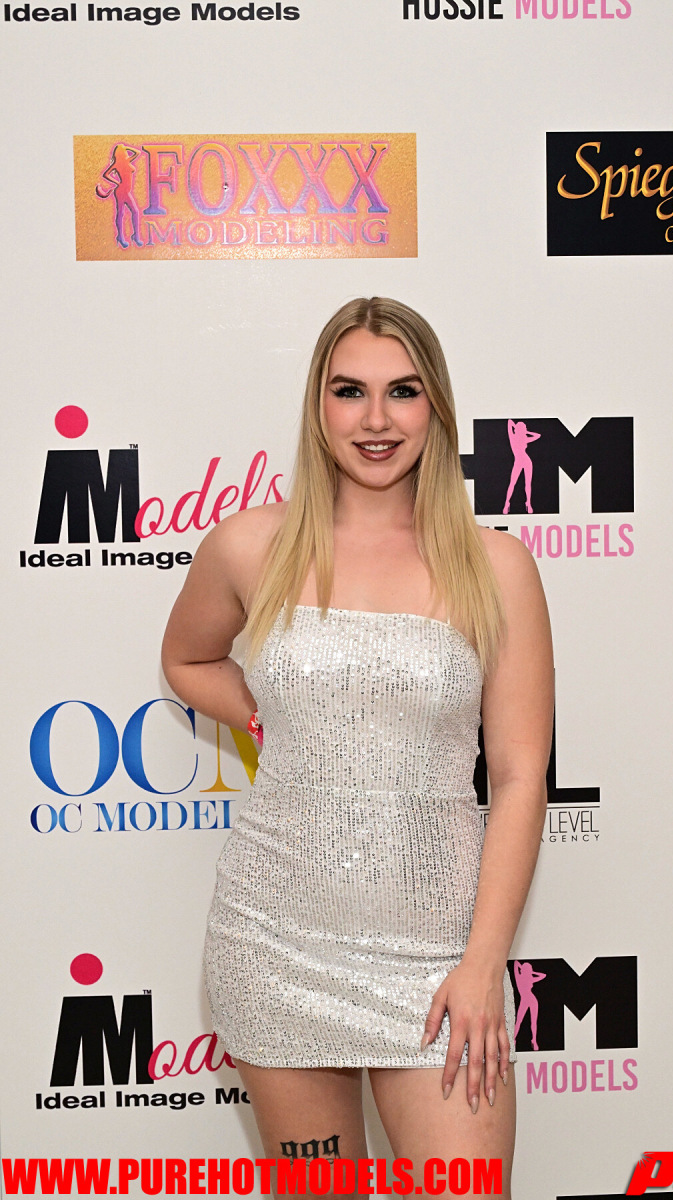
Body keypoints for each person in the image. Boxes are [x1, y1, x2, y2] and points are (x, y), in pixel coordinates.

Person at [161, 297, 553, 1198]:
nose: (376, 419)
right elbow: (187, 659)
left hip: (439, 959)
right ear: (318, 405)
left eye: (402, 392)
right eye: (350, 391)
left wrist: (482, 965)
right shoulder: (249, 546)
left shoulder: (496, 567)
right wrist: (267, 714)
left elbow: (520, 776)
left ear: (436, 405)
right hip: (275, 943)